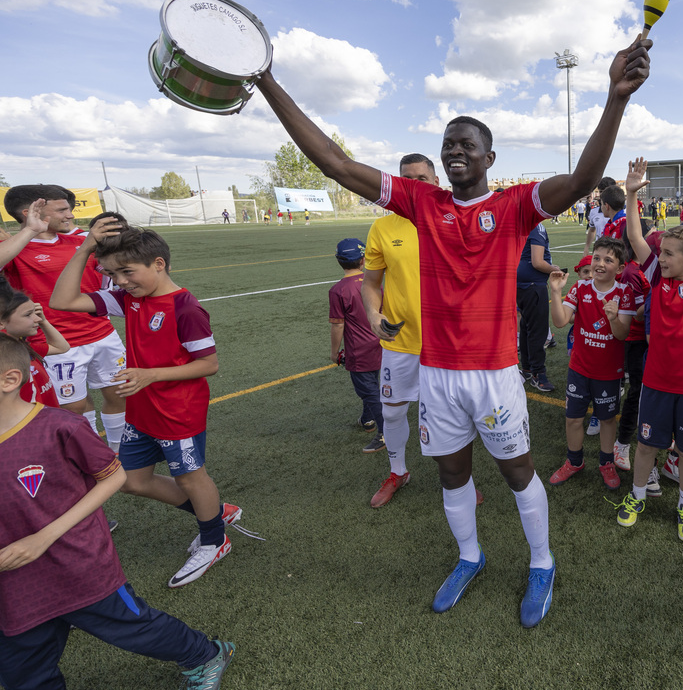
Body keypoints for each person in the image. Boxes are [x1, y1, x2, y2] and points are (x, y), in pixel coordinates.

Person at [256, 34, 652, 627]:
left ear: (489, 158)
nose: (455, 151)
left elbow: (580, 178)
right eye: (449, 145)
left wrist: (614, 99)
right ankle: (470, 555)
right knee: (450, 470)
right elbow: (335, 164)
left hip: (493, 375)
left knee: (518, 471)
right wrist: (265, 80)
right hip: (436, 372)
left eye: (467, 144)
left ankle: (541, 562)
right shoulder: (421, 202)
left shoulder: (517, 205)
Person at [0, 336, 236, 690]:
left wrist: (43, 537)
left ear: (9, 380)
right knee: (21, 667)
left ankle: (204, 653)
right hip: (14, 579)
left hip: (76, 563)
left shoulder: (60, 426)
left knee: (132, 625)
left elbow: (114, 476)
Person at [50, 220, 247, 588]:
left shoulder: (185, 308)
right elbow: (61, 301)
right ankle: (216, 515)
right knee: (130, 481)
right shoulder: (130, 300)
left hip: (178, 413)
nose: (121, 281)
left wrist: (149, 375)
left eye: (127, 272)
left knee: (189, 477)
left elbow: (209, 365)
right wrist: (84, 249)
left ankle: (214, 539)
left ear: (159, 263)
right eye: (111, 274)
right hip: (141, 410)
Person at [614, 156, 683, 542]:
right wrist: (631, 196)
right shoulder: (655, 279)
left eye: (667, 254)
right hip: (656, 381)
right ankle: (637, 496)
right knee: (647, 444)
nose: (659, 258)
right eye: (660, 252)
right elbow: (633, 238)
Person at [1, 186, 128, 452]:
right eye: (61, 210)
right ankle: (92, 452)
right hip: (57, 345)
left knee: (120, 395)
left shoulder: (82, 239)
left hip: (103, 335)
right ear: (30, 213)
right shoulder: (14, 248)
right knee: (74, 407)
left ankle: (118, 451)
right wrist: (29, 231)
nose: (70, 215)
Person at [361, 154, 440, 504]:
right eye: (408, 179)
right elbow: (370, 283)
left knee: (444, 416)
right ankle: (398, 471)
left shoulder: (453, 219)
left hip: (445, 343)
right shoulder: (383, 227)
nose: (415, 185)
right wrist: (373, 315)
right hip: (400, 341)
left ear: (436, 183)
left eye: (422, 178)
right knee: (393, 411)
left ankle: (455, 480)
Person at [546, 236, 634, 490]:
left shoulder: (623, 292)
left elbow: (621, 334)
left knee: (607, 419)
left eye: (608, 259)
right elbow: (561, 322)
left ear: (619, 268)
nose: (599, 263)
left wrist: (613, 318)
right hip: (579, 369)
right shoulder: (580, 288)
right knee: (573, 419)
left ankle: (606, 463)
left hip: (608, 372)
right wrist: (555, 290)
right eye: (597, 257)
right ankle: (574, 461)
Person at [328, 238, 384, 440]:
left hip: (358, 351)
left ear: (338, 260)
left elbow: (338, 325)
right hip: (381, 344)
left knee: (369, 391)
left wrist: (334, 353)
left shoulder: (339, 290)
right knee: (373, 385)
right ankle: (367, 419)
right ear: (363, 260)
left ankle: (386, 432)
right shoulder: (375, 283)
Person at [614, 219, 651, 471]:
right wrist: (659, 299)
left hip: (648, 338)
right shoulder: (630, 272)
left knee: (647, 391)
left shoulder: (646, 267)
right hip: (635, 339)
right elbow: (636, 313)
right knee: (636, 391)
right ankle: (622, 443)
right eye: (652, 237)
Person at [0, 288, 66, 407]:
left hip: (43, 417)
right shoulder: (6, 355)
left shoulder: (21, 345)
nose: (38, 319)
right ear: (1, 322)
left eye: (35, 313)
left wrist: (44, 322)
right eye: (28, 315)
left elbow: (61, 347)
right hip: (30, 422)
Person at [518, 220, 558, 393]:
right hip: (533, 284)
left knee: (526, 327)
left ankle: (527, 368)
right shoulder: (536, 226)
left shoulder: (521, 225)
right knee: (537, 330)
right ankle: (538, 373)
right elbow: (537, 262)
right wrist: (554, 269)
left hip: (520, 283)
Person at [585, 177, 617, 253]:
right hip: (599, 252)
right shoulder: (594, 211)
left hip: (618, 253)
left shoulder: (625, 212)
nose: (603, 194)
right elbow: (592, 231)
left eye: (606, 191)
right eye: (601, 191)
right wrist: (586, 248)